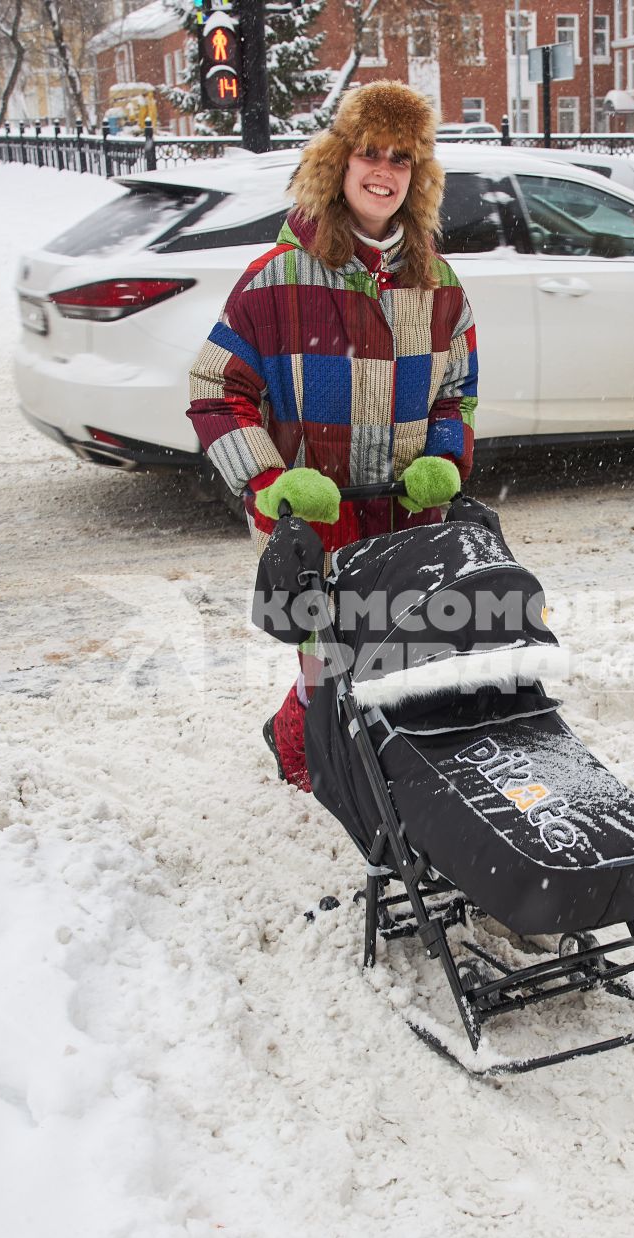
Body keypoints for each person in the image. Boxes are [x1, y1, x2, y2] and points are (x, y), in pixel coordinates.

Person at [186, 81, 479, 791]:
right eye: (369, 154)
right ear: (338, 162)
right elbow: (215, 391)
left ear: (418, 178)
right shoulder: (276, 279)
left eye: (401, 159)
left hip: (406, 513)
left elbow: (456, 392)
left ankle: (378, 766)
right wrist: (269, 481)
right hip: (317, 518)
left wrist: (441, 459)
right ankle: (299, 757)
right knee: (329, 660)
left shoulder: (437, 284)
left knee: (404, 652)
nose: (383, 171)